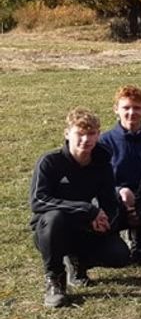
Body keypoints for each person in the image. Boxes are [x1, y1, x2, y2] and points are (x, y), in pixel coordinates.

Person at [30, 108, 130, 307]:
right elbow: (38, 200)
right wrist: (87, 209)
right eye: (80, 134)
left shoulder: (102, 163)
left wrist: (105, 219)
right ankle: (54, 278)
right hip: (52, 229)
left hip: (86, 226)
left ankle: (78, 263)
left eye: (91, 134)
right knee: (54, 218)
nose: (86, 140)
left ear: (98, 135)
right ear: (67, 134)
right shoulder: (50, 162)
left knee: (119, 255)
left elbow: (110, 202)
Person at [98, 85, 141, 260]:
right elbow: (98, 179)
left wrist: (139, 203)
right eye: (126, 108)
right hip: (115, 199)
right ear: (116, 110)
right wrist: (119, 191)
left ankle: (140, 239)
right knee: (116, 254)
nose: (131, 113)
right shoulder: (105, 142)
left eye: (137, 108)